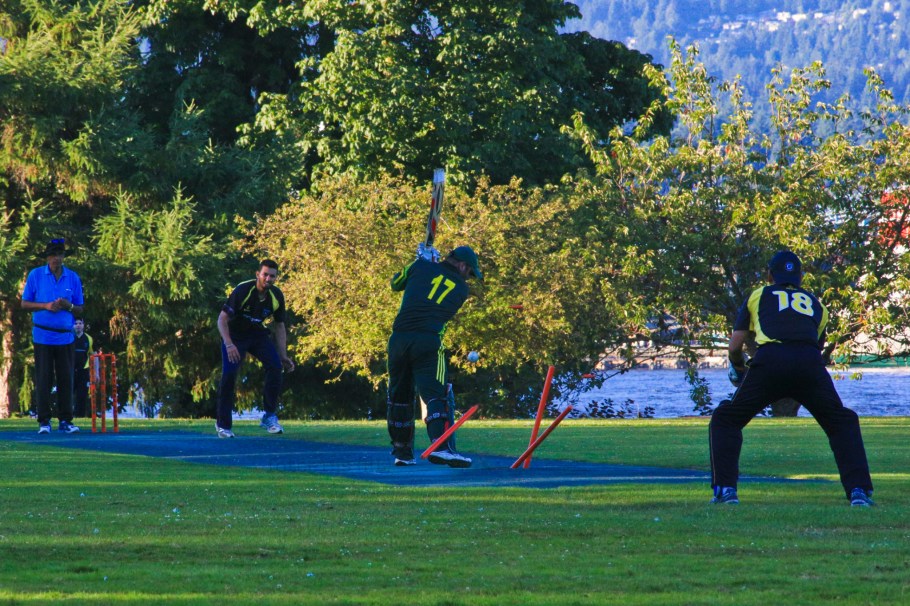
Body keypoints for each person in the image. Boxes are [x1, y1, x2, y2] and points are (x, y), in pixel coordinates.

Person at [709, 251, 874, 506]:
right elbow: (813, 346)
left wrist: (738, 369)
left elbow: (735, 346)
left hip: (770, 360)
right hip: (808, 362)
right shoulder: (818, 304)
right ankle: (859, 491)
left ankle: (726, 490)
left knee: (726, 419)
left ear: (769, 275)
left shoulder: (759, 294)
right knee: (842, 422)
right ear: (801, 277)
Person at [386, 245, 482, 467]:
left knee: (398, 394)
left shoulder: (418, 267)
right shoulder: (460, 289)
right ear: (461, 265)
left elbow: (396, 284)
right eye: (469, 272)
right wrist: (429, 266)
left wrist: (420, 262)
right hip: (428, 340)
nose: (468, 278)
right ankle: (441, 447)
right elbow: (435, 291)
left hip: (399, 339)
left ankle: (402, 451)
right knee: (436, 394)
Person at [216, 259, 295, 438]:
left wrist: (283, 355)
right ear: (258, 274)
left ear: (276, 278)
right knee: (229, 374)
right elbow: (221, 320)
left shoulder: (276, 296)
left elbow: (280, 326)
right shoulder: (243, 290)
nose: (268, 278)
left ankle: (269, 417)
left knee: (275, 367)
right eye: (265, 274)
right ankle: (223, 425)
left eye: (272, 276)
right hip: (234, 337)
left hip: (257, 335)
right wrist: (229, 344)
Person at [21, 238, 84, 434]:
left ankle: (66, 420)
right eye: (53, 255)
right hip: (43, 336)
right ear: (47, 258)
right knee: (44, 379)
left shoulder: (72, 277)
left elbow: (80, 309)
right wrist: (46, 306)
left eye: (59, 254)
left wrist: (68, 306)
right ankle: (44, 421)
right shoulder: (36, 275)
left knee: (66, 379)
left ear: (64, 257)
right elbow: (25, 304)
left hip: (65, 337)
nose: (56, 258)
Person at [72, 318, 93, 417]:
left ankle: (79, 416)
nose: (78, 325)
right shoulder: (70, 337)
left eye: (80, 323)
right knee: (68, 394)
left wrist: (96, 373)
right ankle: (66, 416)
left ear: (83, 325)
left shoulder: (88, 339)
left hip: (83, 370)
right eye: (76, 323)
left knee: (82, 395)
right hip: (70, 370)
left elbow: (93, 355)